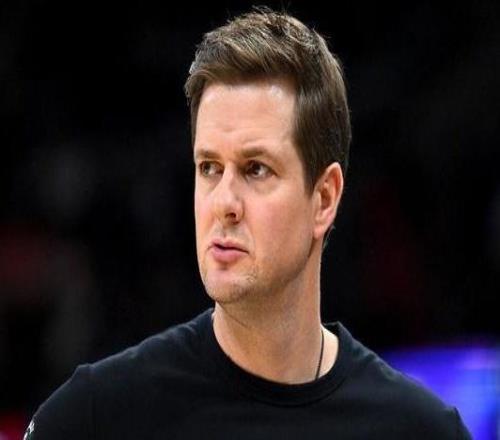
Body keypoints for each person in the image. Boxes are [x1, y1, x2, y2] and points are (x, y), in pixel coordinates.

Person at [25, 7, 471, 439]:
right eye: (209, 168)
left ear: (324, 198)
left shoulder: (420, 430)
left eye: (256, 169)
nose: (224, 203)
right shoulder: (94, 418)